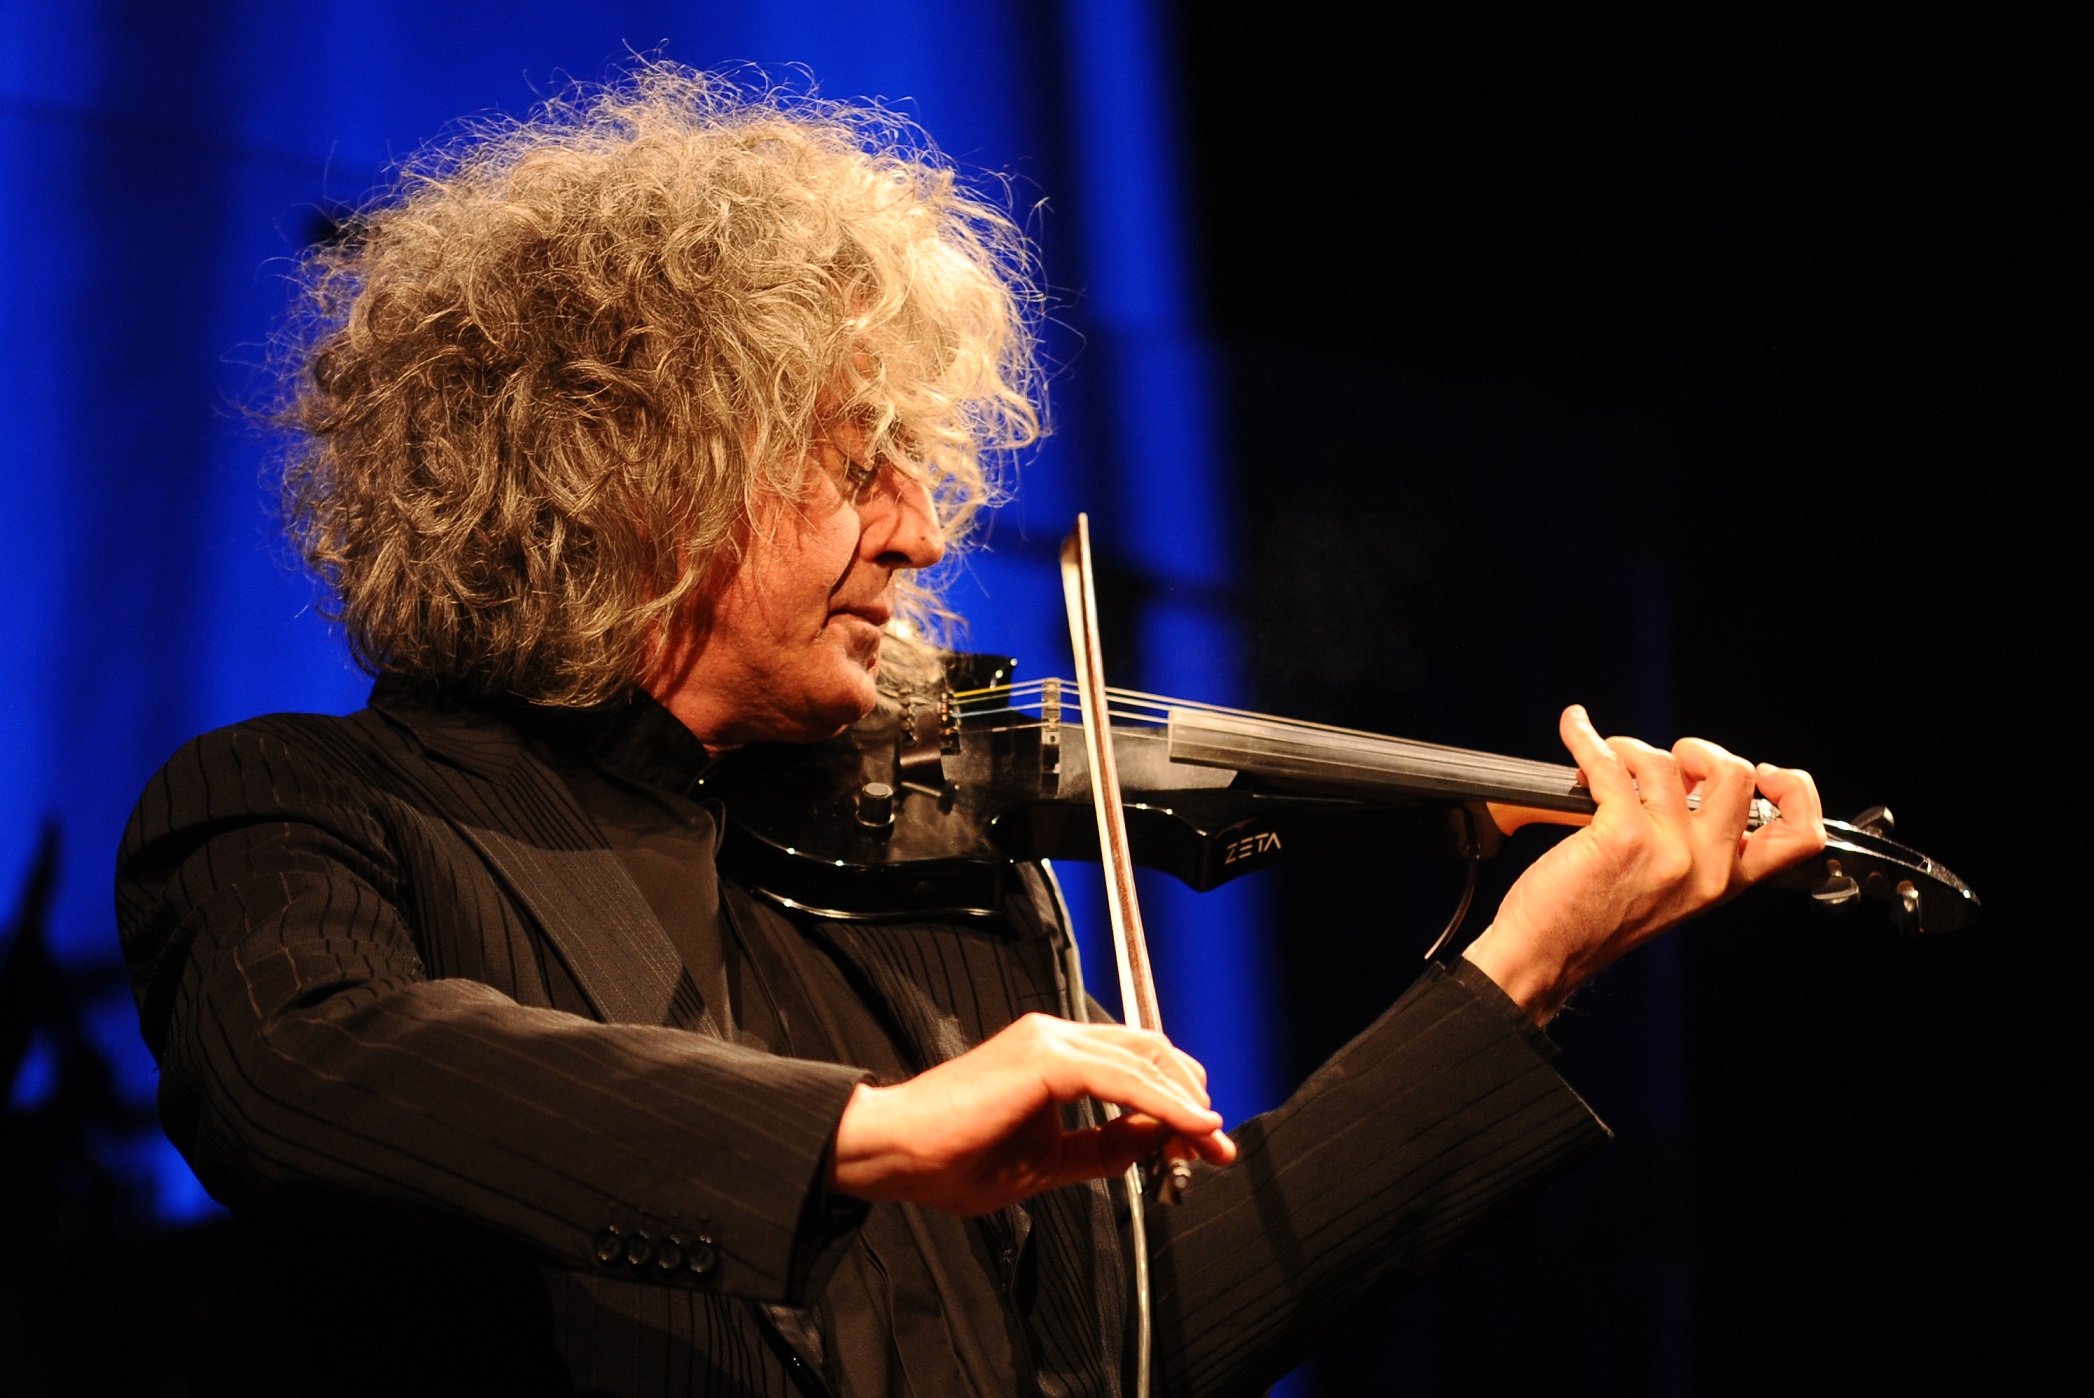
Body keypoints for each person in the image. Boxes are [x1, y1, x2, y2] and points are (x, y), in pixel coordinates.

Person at [115, 66, 1826, 1397]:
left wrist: (1522, 967)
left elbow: (1133, 1347)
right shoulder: (302, 810)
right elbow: (307, 1066)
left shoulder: (931, 874)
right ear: (640, 470)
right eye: (861, 460)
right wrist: (869, 1134)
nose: (925, 531)